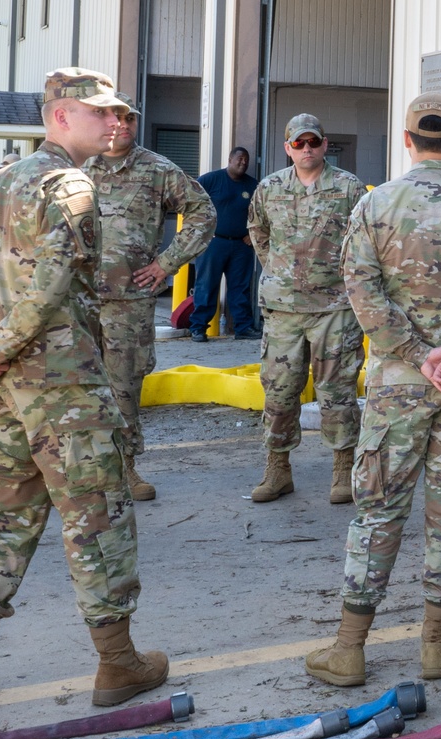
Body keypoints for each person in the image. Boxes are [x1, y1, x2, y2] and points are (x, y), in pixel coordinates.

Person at [0, 67, 169, 712]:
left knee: (8, 516)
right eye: (103, 113)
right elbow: (50, 289)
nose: (116, 124)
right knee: (97, 520)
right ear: (63, 114)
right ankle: (118, 663)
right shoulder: (69, 184)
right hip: (61, 385)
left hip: (7, 387)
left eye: (121, 115)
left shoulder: (0, 182)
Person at [305, 93, 441, 687]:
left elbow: (361, 291)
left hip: (398, 386)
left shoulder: (375, 205)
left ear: (407, 139)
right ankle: (436, 645)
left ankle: (349, 650)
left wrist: (414, 353)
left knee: (378, 511)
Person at [83, 93, 216, 501]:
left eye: (129, 118)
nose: (121, 125)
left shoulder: (158, 170)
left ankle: (124, 469)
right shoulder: (75, 168)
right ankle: (79, 473)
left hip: (128, 302)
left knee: (123, 387)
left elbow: (202, 213)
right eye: (113, 117)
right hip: (75, 300)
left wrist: (167, 263)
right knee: (76, 386)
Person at [247, 114, 367, 505]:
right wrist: (279, 271)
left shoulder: (348, 187)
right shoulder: (269, 188)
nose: (307, 149)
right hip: (283, 310)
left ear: (324, 143)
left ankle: (342, 469)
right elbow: (258, 232)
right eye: (298, 144)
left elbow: (364, 241)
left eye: (313, 142)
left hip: (334, 308)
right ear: (288, 148)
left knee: (338, 394)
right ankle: (278, 468)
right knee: (279, 393)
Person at [189, 147, 260, 342]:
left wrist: (252, 234)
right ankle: (198, 328)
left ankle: (243, 328)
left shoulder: (253, 185)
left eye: (246, 160)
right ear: (230, 159)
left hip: (241, 246)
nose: (243, 162)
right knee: (206, 285)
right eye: (239, 159)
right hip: (213, 243)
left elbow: (263, 213)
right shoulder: (210, 180)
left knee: (240, 288)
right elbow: (189, 202)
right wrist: (200, 230)